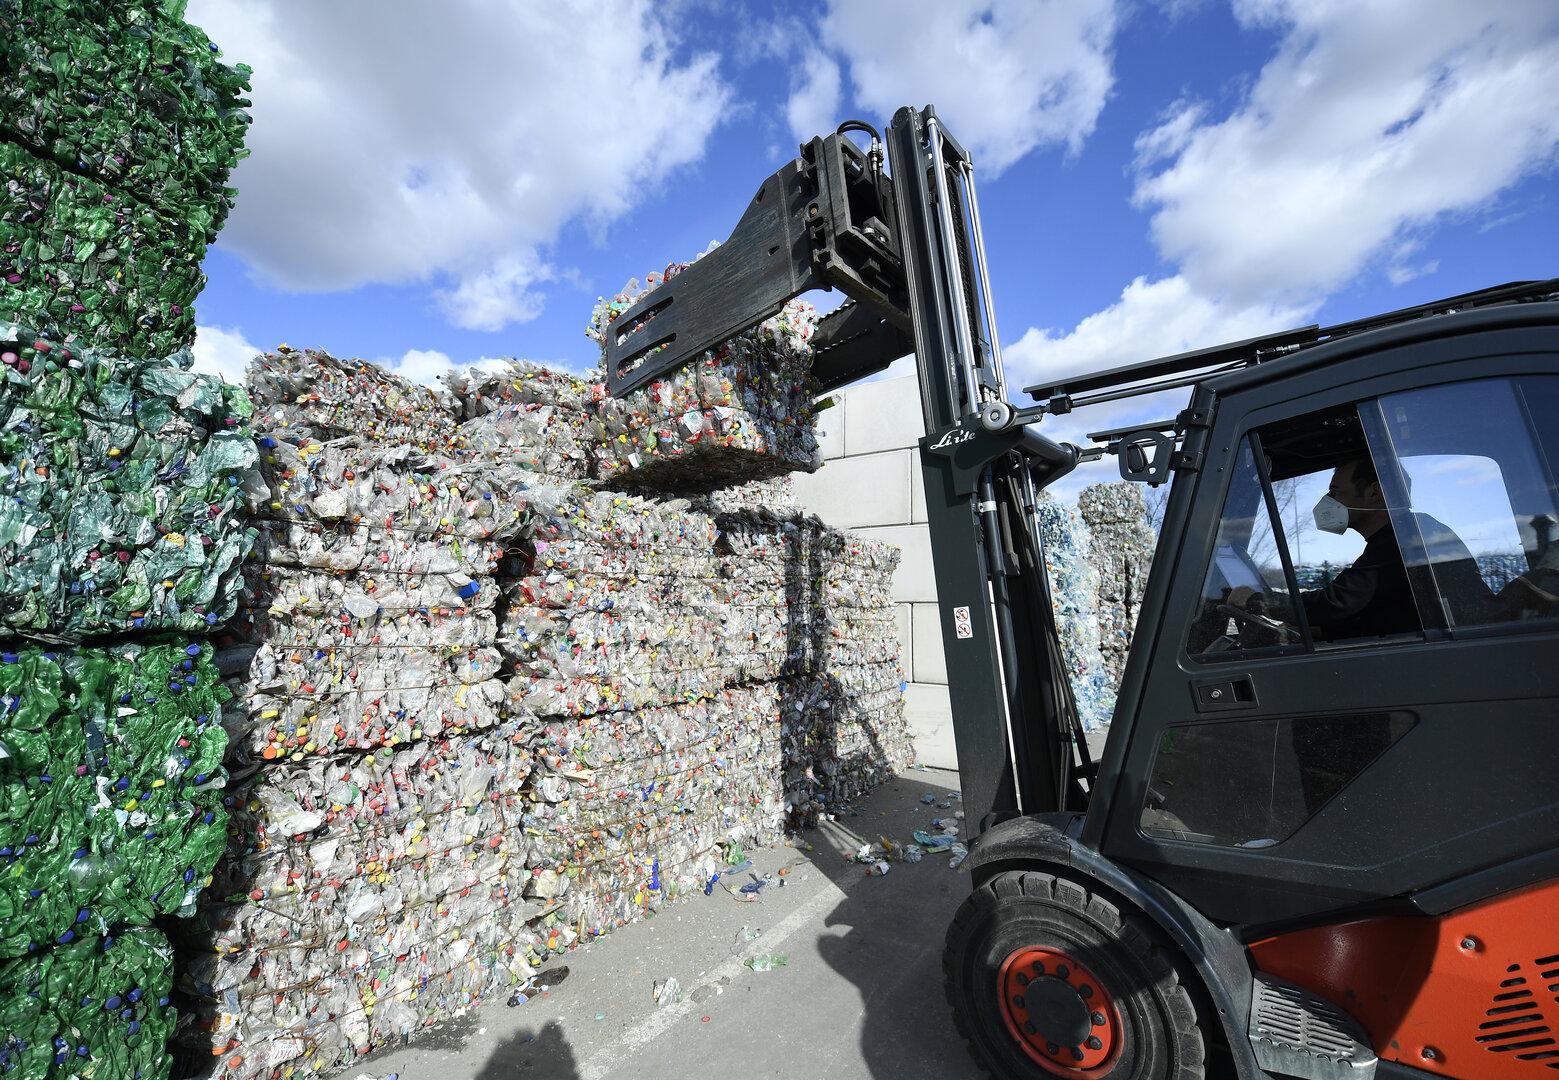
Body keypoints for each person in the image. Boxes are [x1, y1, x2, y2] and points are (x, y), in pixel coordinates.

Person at [1292, 456, 1491, 639]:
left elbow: (1338, 602)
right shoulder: (1407, 533)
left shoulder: (1407, 538)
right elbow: (1384, 618)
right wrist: (1319, 632)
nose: (1327, 499)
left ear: (1374, 492)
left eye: (1335, 492)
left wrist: (1278, 605)